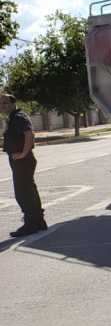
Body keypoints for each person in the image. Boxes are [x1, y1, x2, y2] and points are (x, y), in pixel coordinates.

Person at [0, 92, 47, 237]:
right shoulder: (14, 117)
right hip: (21, 160)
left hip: (22, 161)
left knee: (23, 193)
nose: (2, 106)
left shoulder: (18, 117)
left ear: (13, 103)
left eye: (5, 103)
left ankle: (30, 224)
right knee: (29, 191)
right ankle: (38, 222)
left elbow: (29, 134)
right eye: (0, 104)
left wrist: (23, 153)